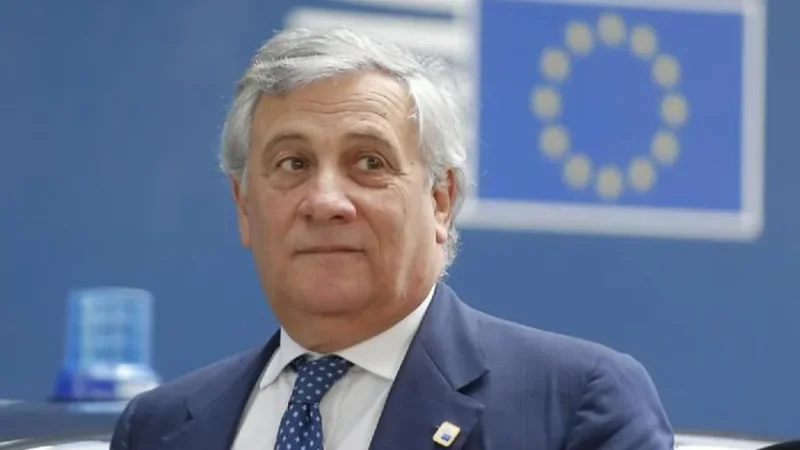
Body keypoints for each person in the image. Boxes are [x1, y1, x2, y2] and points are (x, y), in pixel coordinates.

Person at [110, 27, 674, 450]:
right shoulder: (159, 429)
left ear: (441, 201)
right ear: (244, 207)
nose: (325, 201)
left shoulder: (574, 405)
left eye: (369, 162)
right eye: (292, 163)